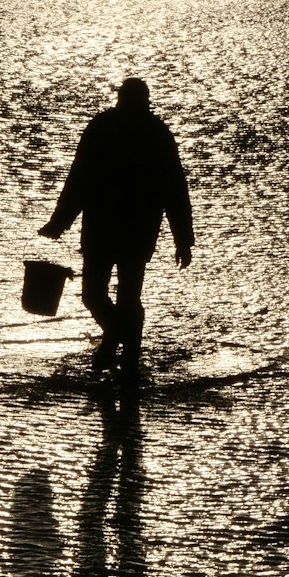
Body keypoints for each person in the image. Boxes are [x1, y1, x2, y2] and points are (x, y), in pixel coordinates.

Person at [38, 78, 193, 378]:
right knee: (99, 295)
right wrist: (58, 222)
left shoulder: (119, 129)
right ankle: (119, 344)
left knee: (114, 297)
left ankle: (125, 356)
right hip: (125, 229)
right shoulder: (144, 131)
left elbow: (174, 188)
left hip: (116, 228)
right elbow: (80, 177)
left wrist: (183, 239)